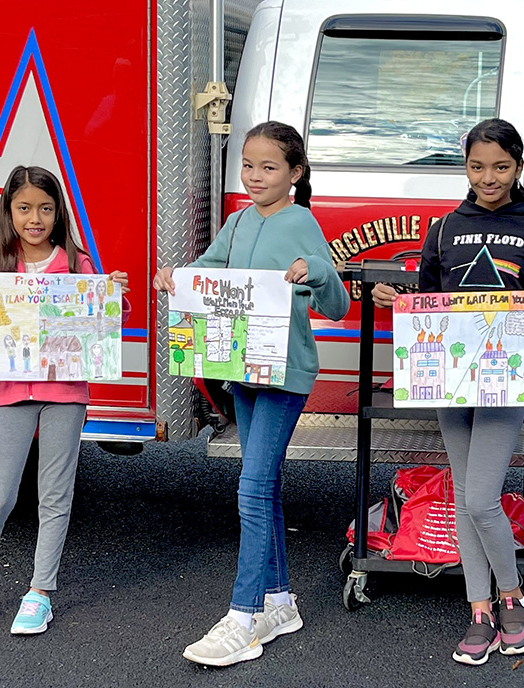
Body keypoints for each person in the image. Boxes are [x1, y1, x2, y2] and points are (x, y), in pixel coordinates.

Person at [372, 119, 524, 666]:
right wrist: (391, 299)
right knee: (472, 500)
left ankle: (512, 595)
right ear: (464, 168)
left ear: (517, 168)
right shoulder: (444, 229)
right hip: (450, 383)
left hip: (506, 380)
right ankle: (478, 607)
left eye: (500, 167)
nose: (488, 178)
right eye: (477, 167)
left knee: (477, 498)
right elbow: (425, 304)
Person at [153, 121, 349, 666]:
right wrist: (174, 277)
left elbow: (336, 302)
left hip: (284, 376)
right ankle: (281, 602)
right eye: (248, 165)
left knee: (253, 485)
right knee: (263, 485)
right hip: (241, 370)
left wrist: (316, 271)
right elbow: (208, 272)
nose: (256, 175)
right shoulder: (237, 223)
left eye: (269, 167)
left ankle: (243, 617)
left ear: (295, 173)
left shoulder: (302, 222)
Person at [0, 165, 130, 635]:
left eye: (44, 208)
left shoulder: (78, 264)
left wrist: (113, 297)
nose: (34, 218)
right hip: (9, 394)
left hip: (65, 394)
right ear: (9, 212)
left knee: (55, 496)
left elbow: (101, 326)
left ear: (58, 212)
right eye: (24, 208)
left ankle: (40, 592)